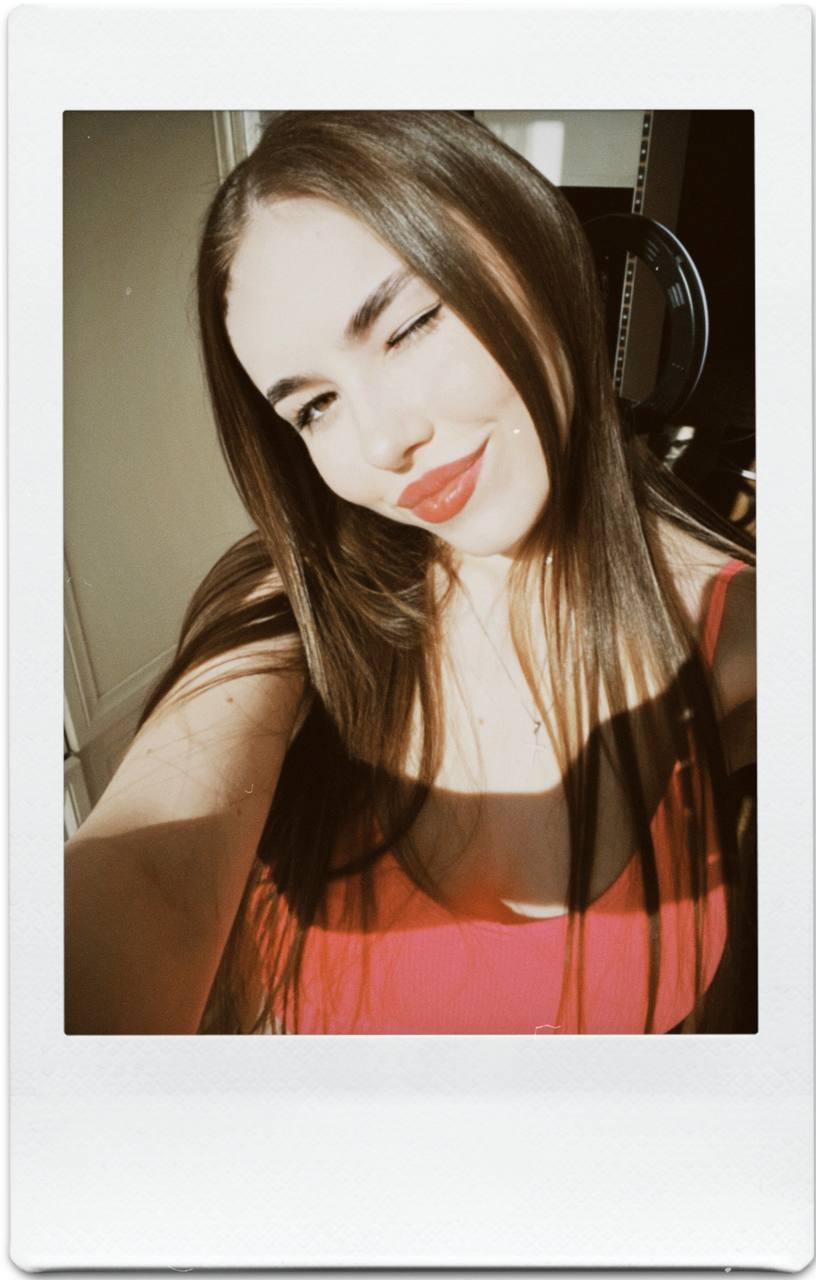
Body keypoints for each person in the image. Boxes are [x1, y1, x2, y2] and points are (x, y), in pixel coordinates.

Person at [64, 111, 756, 1035]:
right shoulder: (293, 607)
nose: (383, 441)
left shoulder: (738, 635)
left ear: (536, 252)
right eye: (314, 407)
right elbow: (157, 876)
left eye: (412, 325)